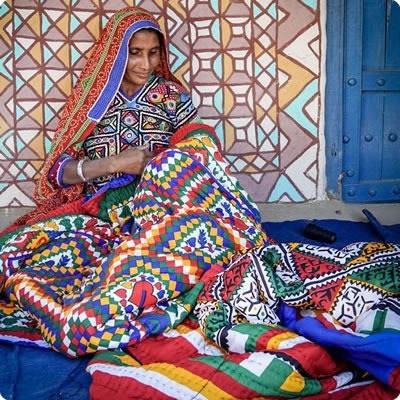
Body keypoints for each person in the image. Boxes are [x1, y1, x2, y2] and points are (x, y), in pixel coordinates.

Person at [0, 6, 266, 357]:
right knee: (21, 257)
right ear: (115, 53)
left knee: (209, 233)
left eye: (153, 53)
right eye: (135, 53)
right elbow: (57, 172)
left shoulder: (171, 96)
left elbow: (200, 151)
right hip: (104, 211)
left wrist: (162, 166)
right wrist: (114, 163)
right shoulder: (92, 100)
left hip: (164, 204)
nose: (145, 64)